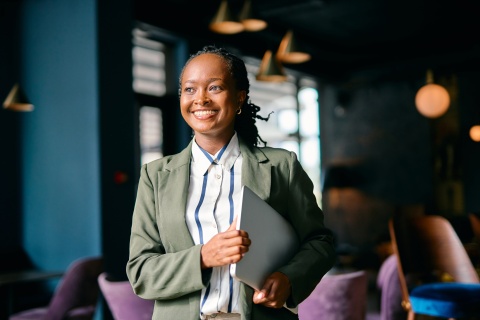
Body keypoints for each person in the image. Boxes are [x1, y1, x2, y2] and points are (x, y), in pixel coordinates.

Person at [126, 45, 336, 320]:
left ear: (239, 98)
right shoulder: (155, 176)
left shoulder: (281, 166)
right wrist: (202, 257)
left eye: (214, 87)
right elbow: (141, 273)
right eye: (190, 89)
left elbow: (319, 242)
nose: (200, 99)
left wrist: (288, 278)